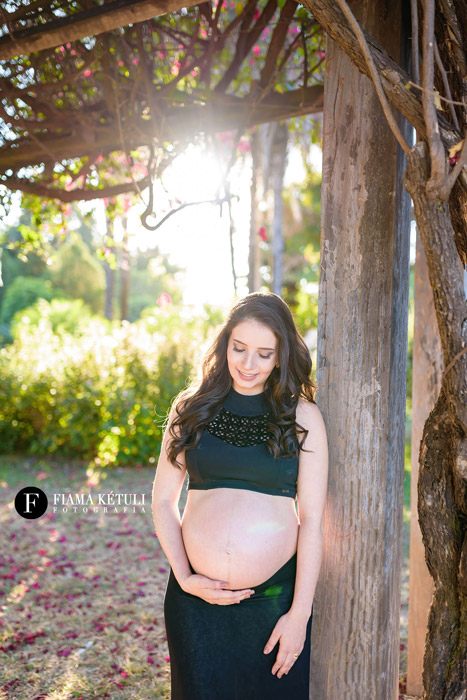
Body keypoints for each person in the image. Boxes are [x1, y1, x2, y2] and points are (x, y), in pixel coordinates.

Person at [152, 292, 328, 700]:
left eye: (264, 354)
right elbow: (163, 501)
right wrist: (186, 577)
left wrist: (299, 615)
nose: (249, 365)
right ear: (224, 344)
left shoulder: (302, 417)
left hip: (273, 603)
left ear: (282, 356)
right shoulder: (190, 407)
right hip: (194, 602)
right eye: (239, 348)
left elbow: (313, 521)